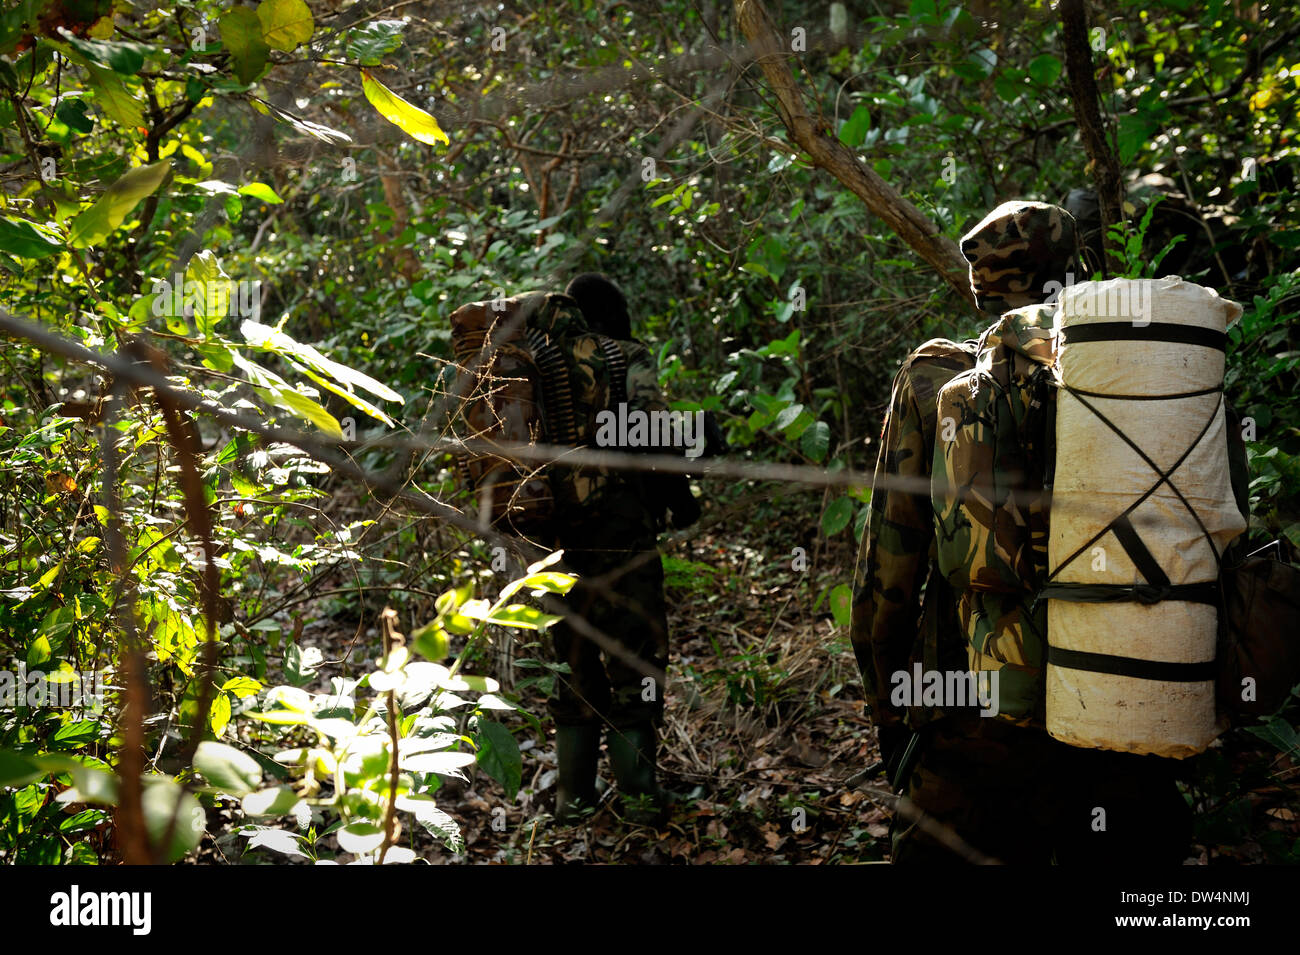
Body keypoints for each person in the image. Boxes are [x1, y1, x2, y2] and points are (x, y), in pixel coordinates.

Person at [850, 201, 1200, 863]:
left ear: (982, 282)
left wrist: (890, 707)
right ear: (1077, 270)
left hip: (972, 708)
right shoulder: (1146, 373)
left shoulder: (935, 377)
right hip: (1122, 700)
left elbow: (887, 577)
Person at [545, 273, 700, 824]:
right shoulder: (625, 356)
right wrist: (682, 499)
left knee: (572, 658)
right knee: (635, 652)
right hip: (621, 532)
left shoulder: (540, 364)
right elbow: (654, 432)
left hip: (551, 538)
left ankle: (573, 798)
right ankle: (637, 796)